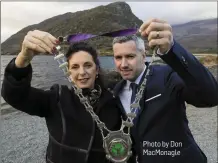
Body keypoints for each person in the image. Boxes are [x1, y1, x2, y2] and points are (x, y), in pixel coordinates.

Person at [1, 30, 137, 163]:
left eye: (88, 65)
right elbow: (14, 95)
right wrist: (23, 58)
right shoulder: (56, 98)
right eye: (75, 67)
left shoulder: (114, 99)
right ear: (68, 72)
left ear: (96, 70)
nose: (82, 72)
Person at [111, 18, 218, 163]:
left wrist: (172, 49)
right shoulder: (116, 91)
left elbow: (210, 97)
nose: (123, 64)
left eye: (130, 56)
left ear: (143, 56)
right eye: (118, 57)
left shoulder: (167, 76)